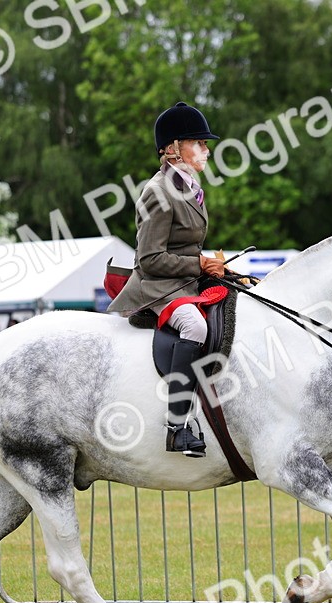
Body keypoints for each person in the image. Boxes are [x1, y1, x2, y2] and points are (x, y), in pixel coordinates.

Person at [106, 101, 226, 457]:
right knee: (196, 327)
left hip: (183, 281)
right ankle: (177, 427)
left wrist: (218, 266)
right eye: (198, 143)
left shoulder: (189, 186)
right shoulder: (157, 192)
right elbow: (150, 258)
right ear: (173, 149)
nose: (206, 149)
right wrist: (200, 265)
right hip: (157, 287)